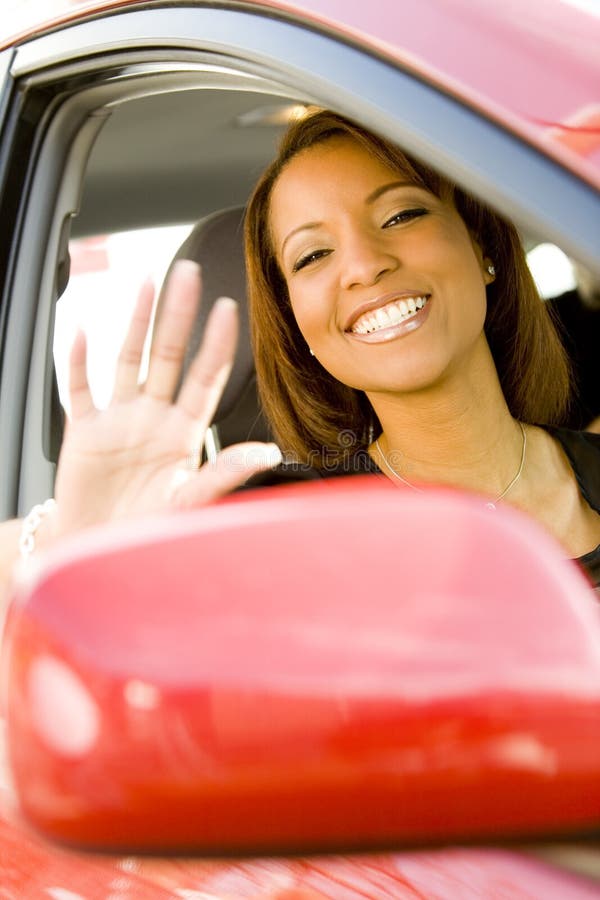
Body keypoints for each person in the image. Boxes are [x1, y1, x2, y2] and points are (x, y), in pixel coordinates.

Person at [0, 110, 598, 604]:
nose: (364, 266)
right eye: (312, 256)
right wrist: (71, 544)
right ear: (301, 327)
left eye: (401, 215)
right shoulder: (284, 528)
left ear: (483, 247)